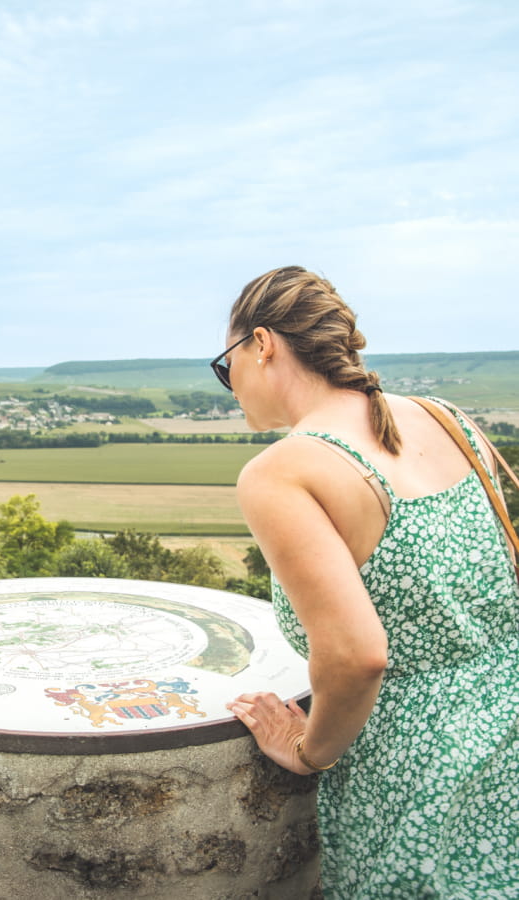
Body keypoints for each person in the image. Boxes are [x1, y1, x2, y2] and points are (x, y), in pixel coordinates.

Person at [217, 266, 519, 898]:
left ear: (263, 344)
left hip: (418, 773)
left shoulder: (282, 472)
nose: (230, 386)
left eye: (227, 365)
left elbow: (357, 656)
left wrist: (308, 749)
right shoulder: (446, 419)